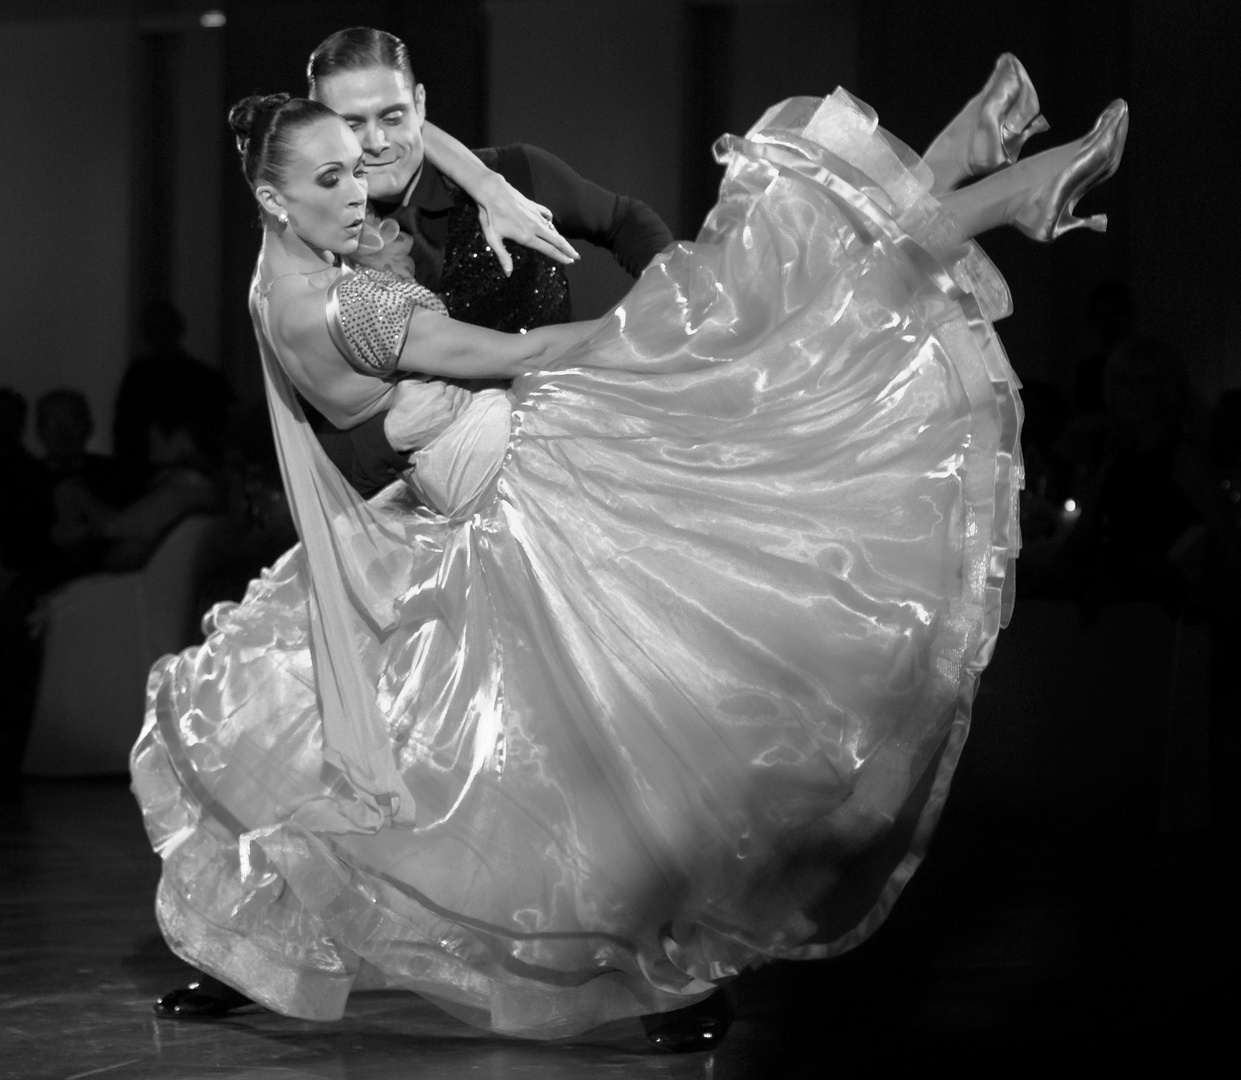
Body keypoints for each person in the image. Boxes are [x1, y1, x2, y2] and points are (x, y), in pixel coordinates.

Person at [132, 69, 1126, 1048]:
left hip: (472, 487)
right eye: (333, 181)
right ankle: (983, 174)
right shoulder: (353, 309)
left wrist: (472, 183)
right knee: (760, 345)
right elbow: (516, 356)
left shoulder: (283, 273)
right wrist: (655, 333)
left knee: (418, 733)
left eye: (359, 166)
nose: (361, 190)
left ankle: (978, 167)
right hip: (521, 473)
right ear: (274, 195)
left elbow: (392, 154)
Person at [299, 27, 676, 500]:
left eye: (392, 116)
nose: (375, 142)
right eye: (352, 124)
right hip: (435, 530)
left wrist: (674, 302)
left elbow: (625, 219)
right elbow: (314, 455)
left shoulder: (514, 177)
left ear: (420, 103)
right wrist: (390, 436)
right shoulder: (319, 261)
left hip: (579, 482)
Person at [112, 301, 234, 496]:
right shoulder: (138, 377)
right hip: (146, 478)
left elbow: (223, 427)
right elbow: (126, 431)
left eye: (164, 328)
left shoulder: (204, 378)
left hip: (198, 473)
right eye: (154, 330)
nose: (160, 336)